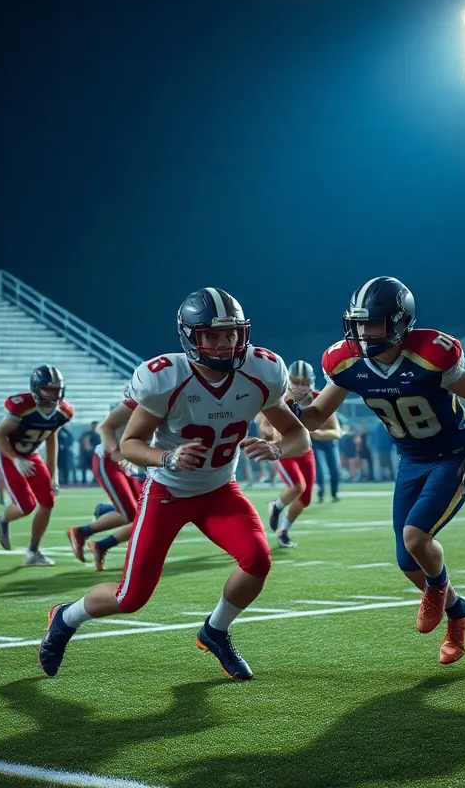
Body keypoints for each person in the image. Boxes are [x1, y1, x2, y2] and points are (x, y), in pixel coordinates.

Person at [38, 288, 308, 680]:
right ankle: (65, 617)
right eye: (212, 336)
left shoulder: (261, 372)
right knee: (130, 598)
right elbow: (129, 444)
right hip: (168, 491)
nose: (224, 344)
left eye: (231, 334)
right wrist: (166, 456)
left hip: (220, 489)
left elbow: (299, 435)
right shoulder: (166, 377)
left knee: (258, 559)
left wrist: (277, 448)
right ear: (190, 337)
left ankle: (215, 630)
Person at [295, 277, 465, 665]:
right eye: (357, 323)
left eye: (371, 323)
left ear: (400, 322)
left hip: (452, 455)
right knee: (408, 563)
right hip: (410, 460)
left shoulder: (430, 355)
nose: (362, 332)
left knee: (415, 537)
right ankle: (461, 613)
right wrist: (287, 409)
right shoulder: (349, 362)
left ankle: (440, 591)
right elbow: (317, 415)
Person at [0, 366, 73, 566]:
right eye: (48, 389)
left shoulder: (63, 411)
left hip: (32, 455)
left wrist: (54, 475)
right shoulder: (23, 406)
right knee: (26, 506)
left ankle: (33, 551)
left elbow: (52, 437)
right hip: (9, 455)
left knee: (48, 500)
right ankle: (3, 520)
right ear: (36, 388)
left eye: (57, 389)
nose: (54, 394)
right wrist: (15, 458)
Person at [261, 360, 340, 548]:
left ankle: (284, 531)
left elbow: (336, 431)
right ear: (288, 380)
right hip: (285, 449)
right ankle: (277, 506)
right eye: (296, 381)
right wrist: (270, 434)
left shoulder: (319, 399)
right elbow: (264, 424)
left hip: (306, 450)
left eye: (304, 382)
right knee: (298, 486)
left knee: (306, 498)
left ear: (312, 381)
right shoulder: (278, 397)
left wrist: (314, 432)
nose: (300, 386)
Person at [67, 388, 142, 570]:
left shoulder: (162, 405)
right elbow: (105, 427)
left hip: (130, 460)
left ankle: (102, 543)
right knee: (131, 513)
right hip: (109, 459)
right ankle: (81, 532)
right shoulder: (133, 405)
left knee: (143, 513)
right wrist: (118, 454)